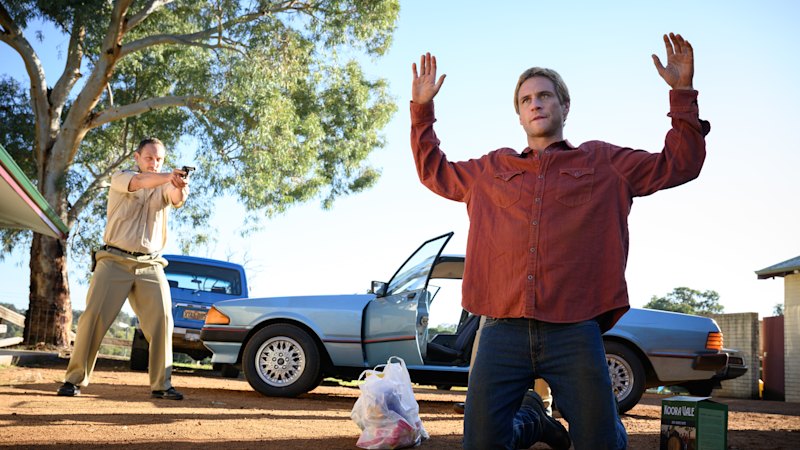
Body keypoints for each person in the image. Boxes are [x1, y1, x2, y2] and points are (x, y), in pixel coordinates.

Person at [410, 33, 709, 449]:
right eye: (526, 99)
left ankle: (586, 424)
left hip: (574, 329)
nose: (535, 103)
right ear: (519, 115)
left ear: (564, 106)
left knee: (598, 442)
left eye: (545, 96)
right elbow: (433, 171)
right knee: (482, 443)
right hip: (500, 329)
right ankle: (533, 421)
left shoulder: (603, 162)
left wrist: (682, 93)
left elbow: (680, 164)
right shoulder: (492, 170)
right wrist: (422, 110)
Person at [57, 137, 190, 401]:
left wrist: (180, 186)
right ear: (137, 157)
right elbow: (140, 182)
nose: (154, 163)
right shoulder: (122, 178)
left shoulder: (165, 185)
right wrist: (168, 176)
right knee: (93, 318)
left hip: (150, 264)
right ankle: (73, 380)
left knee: (163, 320)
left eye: (159, 159)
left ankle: (162, 386)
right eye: (149, 158)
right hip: (113, 260)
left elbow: (176, 198)